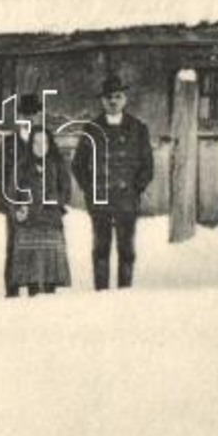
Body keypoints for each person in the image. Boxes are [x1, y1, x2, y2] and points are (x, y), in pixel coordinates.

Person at [72, 74, 154, 290]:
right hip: (100, 200)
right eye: (109, 97)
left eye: (117, 96)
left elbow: (147, 165)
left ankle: (124, 293)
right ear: (102, 101)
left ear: (124, 99)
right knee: (101, 248)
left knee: (126, 249)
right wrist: (90, 190)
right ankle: (101, 293)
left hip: (127, 200)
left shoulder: (138, 128)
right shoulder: (92, 129)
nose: (113, 101)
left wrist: (136, 189)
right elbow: (78, 164)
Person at [0, 96, 73, 297]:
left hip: (46, 210)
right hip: (18, 208)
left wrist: (56, 202)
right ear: (18, 116)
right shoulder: (9, 143)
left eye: (34, 114)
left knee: (45, 251)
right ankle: (12, 293)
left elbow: (62, 180)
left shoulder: (48, 141)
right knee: (15, 249)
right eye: (24, 114)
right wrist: (14, 205)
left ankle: (43, 289)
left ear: (39, 116)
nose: (29, 118)